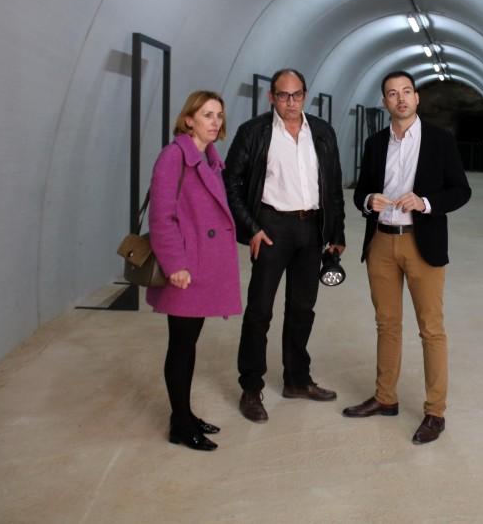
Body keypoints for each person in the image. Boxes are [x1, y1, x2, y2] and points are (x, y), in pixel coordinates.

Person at [344, 70, 471, 444]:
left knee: (431, 328)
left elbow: (461, 191)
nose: (400, 98)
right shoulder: (375, 143)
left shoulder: (439, 141)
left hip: (422, 243)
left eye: (406, 91)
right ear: (384, 102)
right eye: (392, 93)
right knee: (386, 324)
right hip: (382, 242)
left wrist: (426, 202)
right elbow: (360, 192)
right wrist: (369, 200)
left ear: (417, 98)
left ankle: (435, 411)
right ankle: (385, 398)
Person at [224, 68, 345, 423]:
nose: (290, 102)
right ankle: (251, 388)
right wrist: (252, 229)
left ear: (305, 95)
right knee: (260, 310)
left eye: (296, 95)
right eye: (283, 95)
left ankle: (297, 379)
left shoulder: (322, 132)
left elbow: (333, 185)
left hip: (312, 228)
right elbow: (230, 184)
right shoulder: (253, 132)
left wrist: (336, 233)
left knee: (302, 308)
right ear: (271, 97)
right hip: (272, 227)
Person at [146, 90, 242, 452]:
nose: (215, 122)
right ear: (189, 120)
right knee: (181, 345)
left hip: (204, 265)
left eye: (219, 115)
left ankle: (184, 415)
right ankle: (181, 424)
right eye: (207, 115)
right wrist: (175, 265)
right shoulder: (174, 156)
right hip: (186, 268)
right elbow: (162, 216)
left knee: (189, 344)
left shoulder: (209, 158)